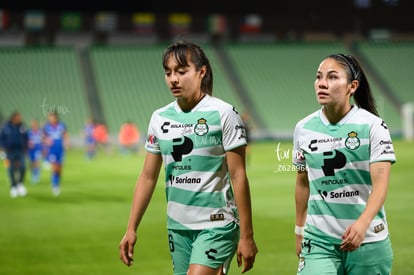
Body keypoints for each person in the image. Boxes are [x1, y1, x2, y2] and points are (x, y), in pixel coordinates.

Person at [119, 40, 258, 275]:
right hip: (178, 225)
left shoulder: (224, 113)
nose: (173, 79)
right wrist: (131, 228)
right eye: (168, 72)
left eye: (181, 72)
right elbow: (148, 176)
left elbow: (238, 175)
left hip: (217, 222)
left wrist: (247, 235)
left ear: (201, 72)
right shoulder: (159, 118)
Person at [292, 53, 396, 274]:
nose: (322, 83)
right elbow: (302, 182)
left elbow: (381, 185)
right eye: (319, 77)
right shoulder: (303, 128)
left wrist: (362, 223)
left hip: (368, 239)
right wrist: (299, 229)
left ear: (352, 86)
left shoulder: (374, 127)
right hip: (318, 240)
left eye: (332, 77)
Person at [0, 111, 29, 198]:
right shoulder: (6, 126)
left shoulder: (22, 126)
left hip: (20, 150)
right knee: (11, 169)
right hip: (9, 151)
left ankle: (20, 184)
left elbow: (26, 138)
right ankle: (13, 186)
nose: (20, 118)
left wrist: (26, 147)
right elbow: (1, 138)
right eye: (18, 116)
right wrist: (2, 149)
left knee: (23, 167)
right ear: (14, 117)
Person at [43, 111, 69, 196]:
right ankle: (55, 185)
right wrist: (46, 141)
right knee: (55, 167)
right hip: (52, 150)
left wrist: (67, 143)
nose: (51, 119)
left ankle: (56, 183)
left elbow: (65, 135)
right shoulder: (46, 127)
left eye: (52, 117)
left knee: (59, 169)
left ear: (56, 118)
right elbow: (43, 137)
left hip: (60, 149)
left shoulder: (62, 125)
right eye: (50, 117)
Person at [28, 118, 43, 183]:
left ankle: (36, 176)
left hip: (38, 149)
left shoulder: (40, 132)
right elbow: (26, 141)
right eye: (32, 124)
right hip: (31, 150)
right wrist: (29, 144)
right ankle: (33, 175)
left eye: (35, 124)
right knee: (31, 163)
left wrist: (44, 149)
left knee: (36, 162)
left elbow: (43, 141)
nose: (33, 125)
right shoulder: (29, 133)